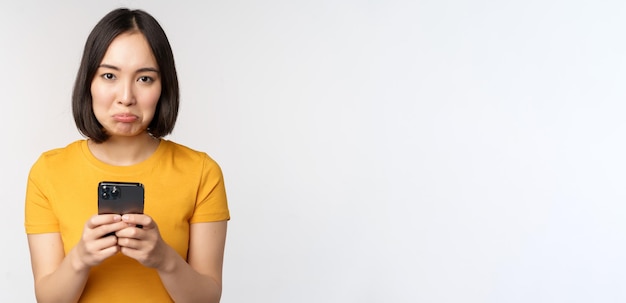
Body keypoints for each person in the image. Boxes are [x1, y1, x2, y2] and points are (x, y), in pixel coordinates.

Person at [24, 8, 230, 303]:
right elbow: (48, 299)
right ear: (88, 83)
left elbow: (207, 299)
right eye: (109, 75)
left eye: (144, 79)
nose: (126, 96)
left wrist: (164, 258)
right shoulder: (48, 171)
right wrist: (80, 258)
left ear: (163, 87)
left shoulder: (201, 172)